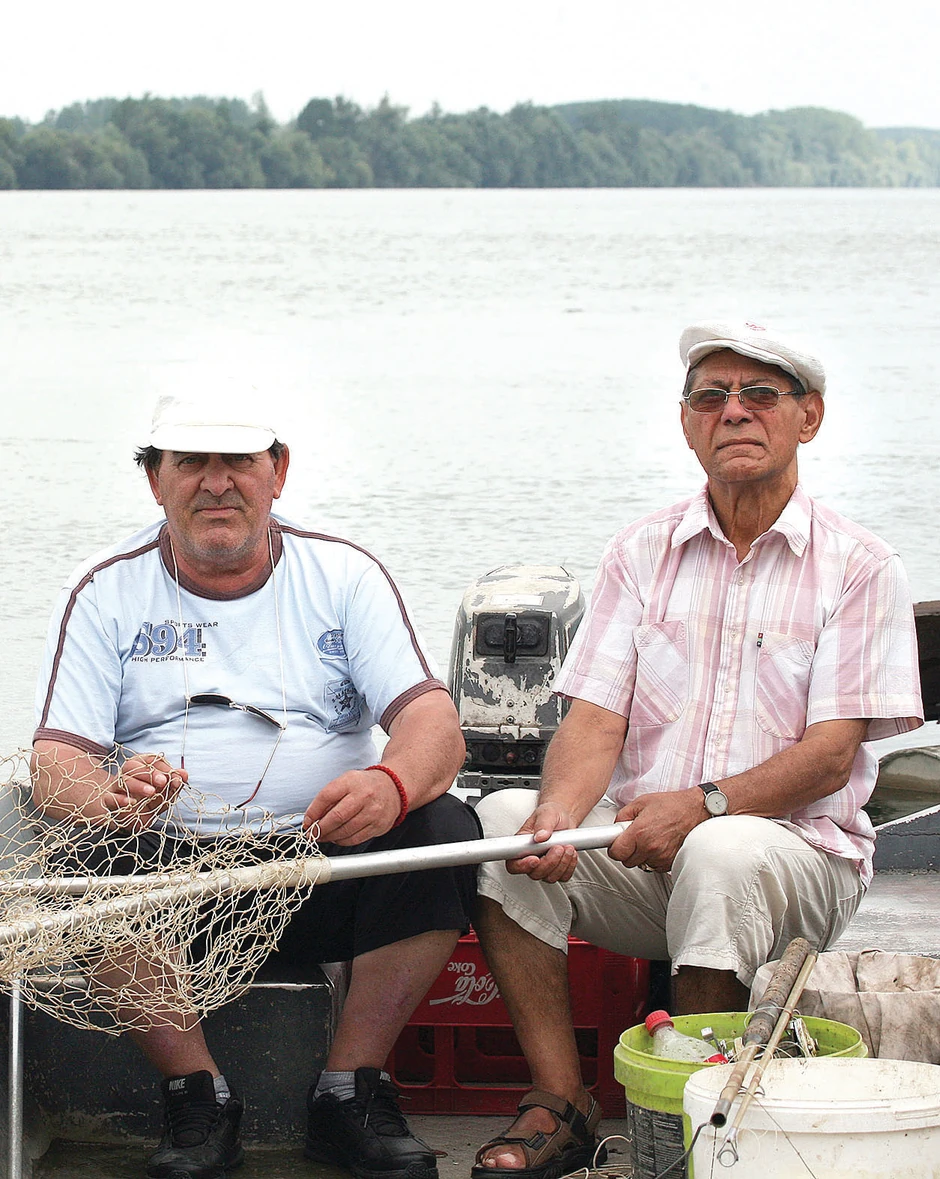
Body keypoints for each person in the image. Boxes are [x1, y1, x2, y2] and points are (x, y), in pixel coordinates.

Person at [470, 320, 924, 1179]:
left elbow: (831, 759)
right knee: (502, 825)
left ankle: (691, 1118)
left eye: (761, 395)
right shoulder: (642, 551)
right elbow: (596, 717)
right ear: (687, 423)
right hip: (651, 850)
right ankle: (561, 1098)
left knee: (720, 849)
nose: (735, 413)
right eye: (711, 396)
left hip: (799, 862)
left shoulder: (862, 566)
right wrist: (561, 814)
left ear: (809, 418)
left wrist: (704, 803)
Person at [32, 387, 478, 1179]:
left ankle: (351, 1091)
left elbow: (435, 727)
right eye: (191, 462)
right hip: (171, 884)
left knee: (442, 824)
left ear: (278, 472)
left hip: (326, 863)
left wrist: (390, 783)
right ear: (154, 480)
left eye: (238, 460)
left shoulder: (343, 574)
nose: (216, 482)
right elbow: (57, 762)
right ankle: (197, 1094)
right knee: (74, 846)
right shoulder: (107, 589)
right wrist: (109, 796)